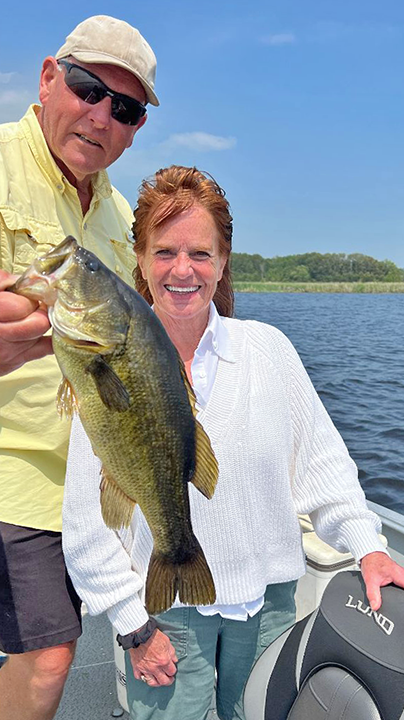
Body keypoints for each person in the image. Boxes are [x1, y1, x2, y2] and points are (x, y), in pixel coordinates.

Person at [62, 165, 404, 720]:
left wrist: (369, 546)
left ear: (222, 263)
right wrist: (132, 624)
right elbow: (87, 519)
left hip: (270, 605)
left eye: (200, 253)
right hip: (163, 610)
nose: (182, 269)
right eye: (164, 251)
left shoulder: (270, 349)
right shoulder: (108, 364)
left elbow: (323, 464)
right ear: (142, 264)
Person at [0, 15, 158, 720]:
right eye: (87, 87)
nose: (101, 115)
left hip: (88, 463)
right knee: (49, 655)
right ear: (49, 78)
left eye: (126, 108)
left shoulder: (115, 212)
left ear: (136, 127)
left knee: (57, 636)